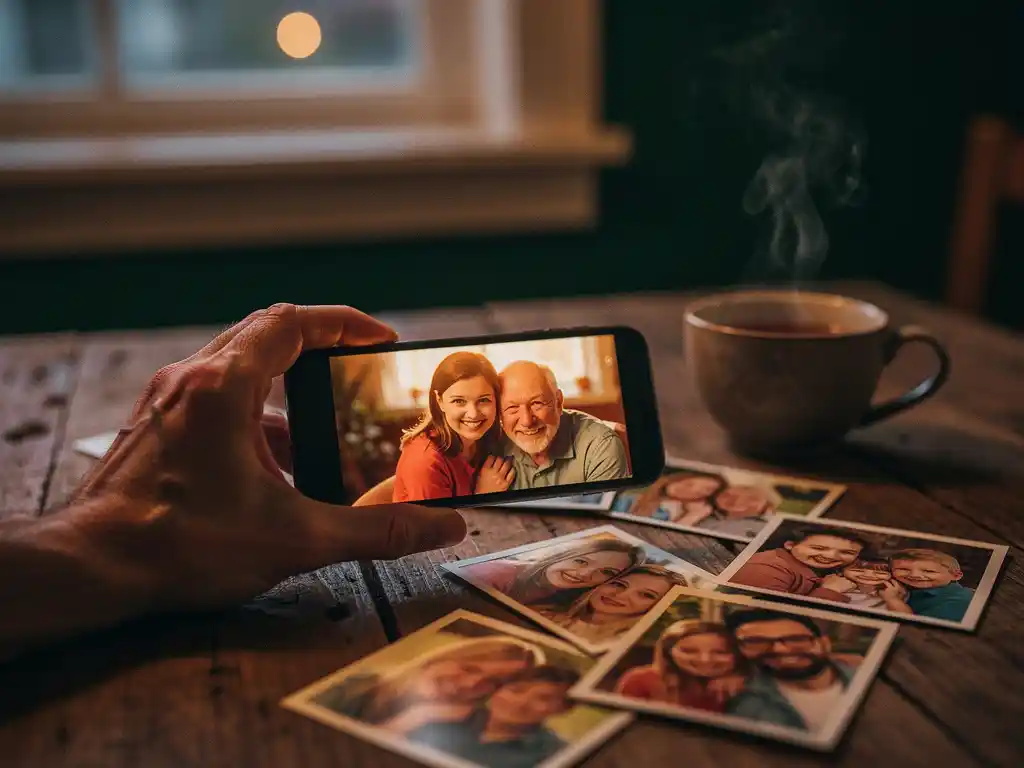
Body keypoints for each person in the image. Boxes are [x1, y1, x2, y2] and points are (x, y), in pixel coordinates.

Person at [0, 304, 469, 661]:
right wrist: (111, 539)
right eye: (461, 400)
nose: (475, 413)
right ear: (436, 402)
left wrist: (93, 531)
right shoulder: (423, 455)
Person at [316, 636, 543, 730]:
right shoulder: (357, 685)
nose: (471, 683)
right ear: (442, 657)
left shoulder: (464, 727)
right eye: (468, 668)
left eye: (492, 683)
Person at [393, 351, 515, 502]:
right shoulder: (425, 462)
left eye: (483, 400)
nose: (473, 414)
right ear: (440, 401)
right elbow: (435, 526)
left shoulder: (490, 441)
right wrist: (482, 496)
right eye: (459, 401)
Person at [406, 665, 578, 768]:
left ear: (562, 709)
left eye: (543, 699)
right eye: (515, 690)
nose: (520, 703)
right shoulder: (444, 716)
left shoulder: (554, 754)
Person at [498, 361, 629, 490]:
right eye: (512, 408)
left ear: (559, 402)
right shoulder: (488, 447)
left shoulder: (600, 445)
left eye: (537, 403)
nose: (527, 421)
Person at [723, 608, 855, 732]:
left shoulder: (862, 676)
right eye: (756, 641)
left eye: (796, 639)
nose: (780, 649)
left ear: (825, 644)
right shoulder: (741, 700)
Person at [614, 619, 746, 712]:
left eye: (720, 652)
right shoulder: (641, 679)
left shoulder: (742, 683)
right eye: (689, 651)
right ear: (668, 652)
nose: (705, 660)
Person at [460, 538, 644, 605]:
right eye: (581, 561)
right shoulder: (495, 573)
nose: (585, 574)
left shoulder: (563, 597)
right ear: (562, 555)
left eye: (606, 573)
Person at [537, 564, 689, 644]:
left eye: (646, 595)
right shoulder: (543, 613)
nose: (620, 594)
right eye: (619, 584)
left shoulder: (627, 645)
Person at [727, 527, 870, 602]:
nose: (831, 556)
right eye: (818, 548)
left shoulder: (838, 568)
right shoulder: (766, 568)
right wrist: (830, 590)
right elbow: (772, 617)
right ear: (790, 545)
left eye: (847, 552)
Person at [878, 548, 974, 622]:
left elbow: (913, 628)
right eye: (903, 569)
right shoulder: (901, 586)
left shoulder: (962, 601)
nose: (914, 575)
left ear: (956, 575)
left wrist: (892, 599)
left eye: (929, 571)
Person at [613, 470, 726, 524]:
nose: (689, 490)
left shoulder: (668, 512)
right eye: (689, 484)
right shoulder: (644, 479)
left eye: (700, 492)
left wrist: (693, 515)